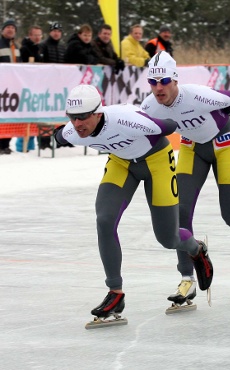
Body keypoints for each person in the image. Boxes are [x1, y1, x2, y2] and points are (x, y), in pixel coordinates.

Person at [53, 84, 213, 319]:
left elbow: (168, 126)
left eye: (83, 118)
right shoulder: (73, 131)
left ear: (98, 113)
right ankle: (115, 292)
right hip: (122, 164)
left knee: (168, 239)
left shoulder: (126, 119)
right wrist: (58, 133)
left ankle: (196, 250)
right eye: (72, 118)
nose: (78, 124)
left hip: (157, 160)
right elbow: (59, 135)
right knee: (105, 219)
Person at [140, 51, 230, 305]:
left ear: (175, 79)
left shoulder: (198, 94)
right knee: (181, 213)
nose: (158, 88)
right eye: (153, 82)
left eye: (164, 81)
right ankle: (187, 279)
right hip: (192, 148)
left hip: (224, 143)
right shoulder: (149, 106)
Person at [16, 25, 44, 153]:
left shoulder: (40, 48)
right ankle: (22, 146)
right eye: (35, 35)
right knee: (25, 117)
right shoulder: (25, 48)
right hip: (25, 87)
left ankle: (31, 146)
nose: (38, 37)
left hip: (37, 87)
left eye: (40, 35)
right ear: (30, 35)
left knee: (34, 117)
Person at [39, 22, 66, 150]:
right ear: (50, 32)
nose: (56, 33)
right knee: (46, 114)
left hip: (59, 85)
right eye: (54, 31)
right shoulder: (43, 45)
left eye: (59, 31)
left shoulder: (62, 47)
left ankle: (59, 139)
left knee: (60, 113)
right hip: (46, 86)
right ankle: (44, 142)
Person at [0, 19, 21, 155]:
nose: (10, 30)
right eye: (7, 27)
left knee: (9, 114)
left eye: (13, 28)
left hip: (12, 86)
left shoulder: (16, 47)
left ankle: (5, 144)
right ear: (2, 30)